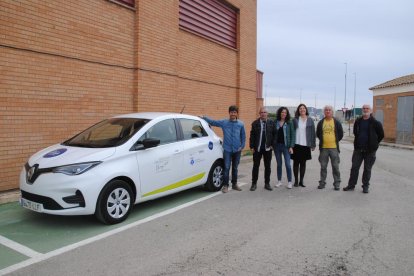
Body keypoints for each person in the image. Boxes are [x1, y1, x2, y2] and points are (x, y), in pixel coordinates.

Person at [203, 105, 246, 193]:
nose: (233, 114)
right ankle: (225, 185)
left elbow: (243, 136)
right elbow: (213, 122)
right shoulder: (224, 122)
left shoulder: (241, 124)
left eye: (234, 112)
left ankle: (234, 184)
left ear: (237, 113)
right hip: (227, 149)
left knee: (235, 168)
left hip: (237, 150)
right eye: (231, 112)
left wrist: (242, 146)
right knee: (226, 167)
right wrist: (204, 117)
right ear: (229, 113)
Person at [343, 104, 384, 193]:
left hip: (370, 151)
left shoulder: (376, 123)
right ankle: (351, 185)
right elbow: (355, 133)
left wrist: (374, 144)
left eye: (367, 108)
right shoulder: (358, 121)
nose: (365, 110)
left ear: (371, 110)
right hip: (358, 150)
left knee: (367, 169)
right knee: (354, 168)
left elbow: (381, 135)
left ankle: (365, 186)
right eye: (364, 108)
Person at [316, 105, 344, 190]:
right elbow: (318, 134)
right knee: (323, 167)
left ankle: (337, 183)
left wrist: (334, 141)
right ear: (324, 112)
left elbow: (341, 134)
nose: (328, 111)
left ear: (332, 112)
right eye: (326, 110)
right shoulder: (321, 122)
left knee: (335, 167)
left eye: (329, 110)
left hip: (334, 148)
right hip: (323, 148)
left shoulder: (336, 122)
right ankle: (322, 183)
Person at [249, 107, 276, 191]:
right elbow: (252, 136)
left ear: (267, 114)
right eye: (262, 112)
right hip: (257, 148)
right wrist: (252, 147)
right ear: (259, 114)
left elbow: (275, 135)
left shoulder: (271, 123)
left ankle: (267, 184)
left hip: (267, 148)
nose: (263, 114)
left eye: (265, 112)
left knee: (267, 166)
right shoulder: (255, 123)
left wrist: (272, 145)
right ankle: (254, 184)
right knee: (255, 166)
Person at [291, 104, 316, 188]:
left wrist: (313, 144)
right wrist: (290, 145)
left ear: (306, 110)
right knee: (296, 163)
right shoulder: (295, 120)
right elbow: (291, 132)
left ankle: (301, 181)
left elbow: (313, 133)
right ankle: (296, 181)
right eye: (300, 108)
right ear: (298, 110)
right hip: (296, 144)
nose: (302, 110)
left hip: (306, 145)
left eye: (303, 108)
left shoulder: (310, 120)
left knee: (303, 163)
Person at [273, 107, 295, 189]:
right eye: (282, 112)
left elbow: (293, 135)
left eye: (285, 113)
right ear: (280, 113)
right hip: (277, 146)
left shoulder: (289, 123)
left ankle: (289, 182)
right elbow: (272, 134)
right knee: (279, 164)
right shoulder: (276, 122)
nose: (283, 114)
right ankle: (279, 181)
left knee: (288, 164)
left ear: (287, 114)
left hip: (286, 146)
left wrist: (291, 146)